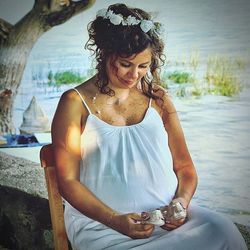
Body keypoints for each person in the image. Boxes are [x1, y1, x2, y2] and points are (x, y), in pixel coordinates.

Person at [51, 3, 247, 250]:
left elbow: (185, 167)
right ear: (104, 52)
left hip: (166, 221)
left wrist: (181, 204)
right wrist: (114, 220)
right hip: (102, 226)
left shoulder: (158, 99)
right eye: (125, 63)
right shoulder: (74, 103)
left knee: (224, 231)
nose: (134, 75)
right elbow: (67, 181)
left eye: (143, 66)